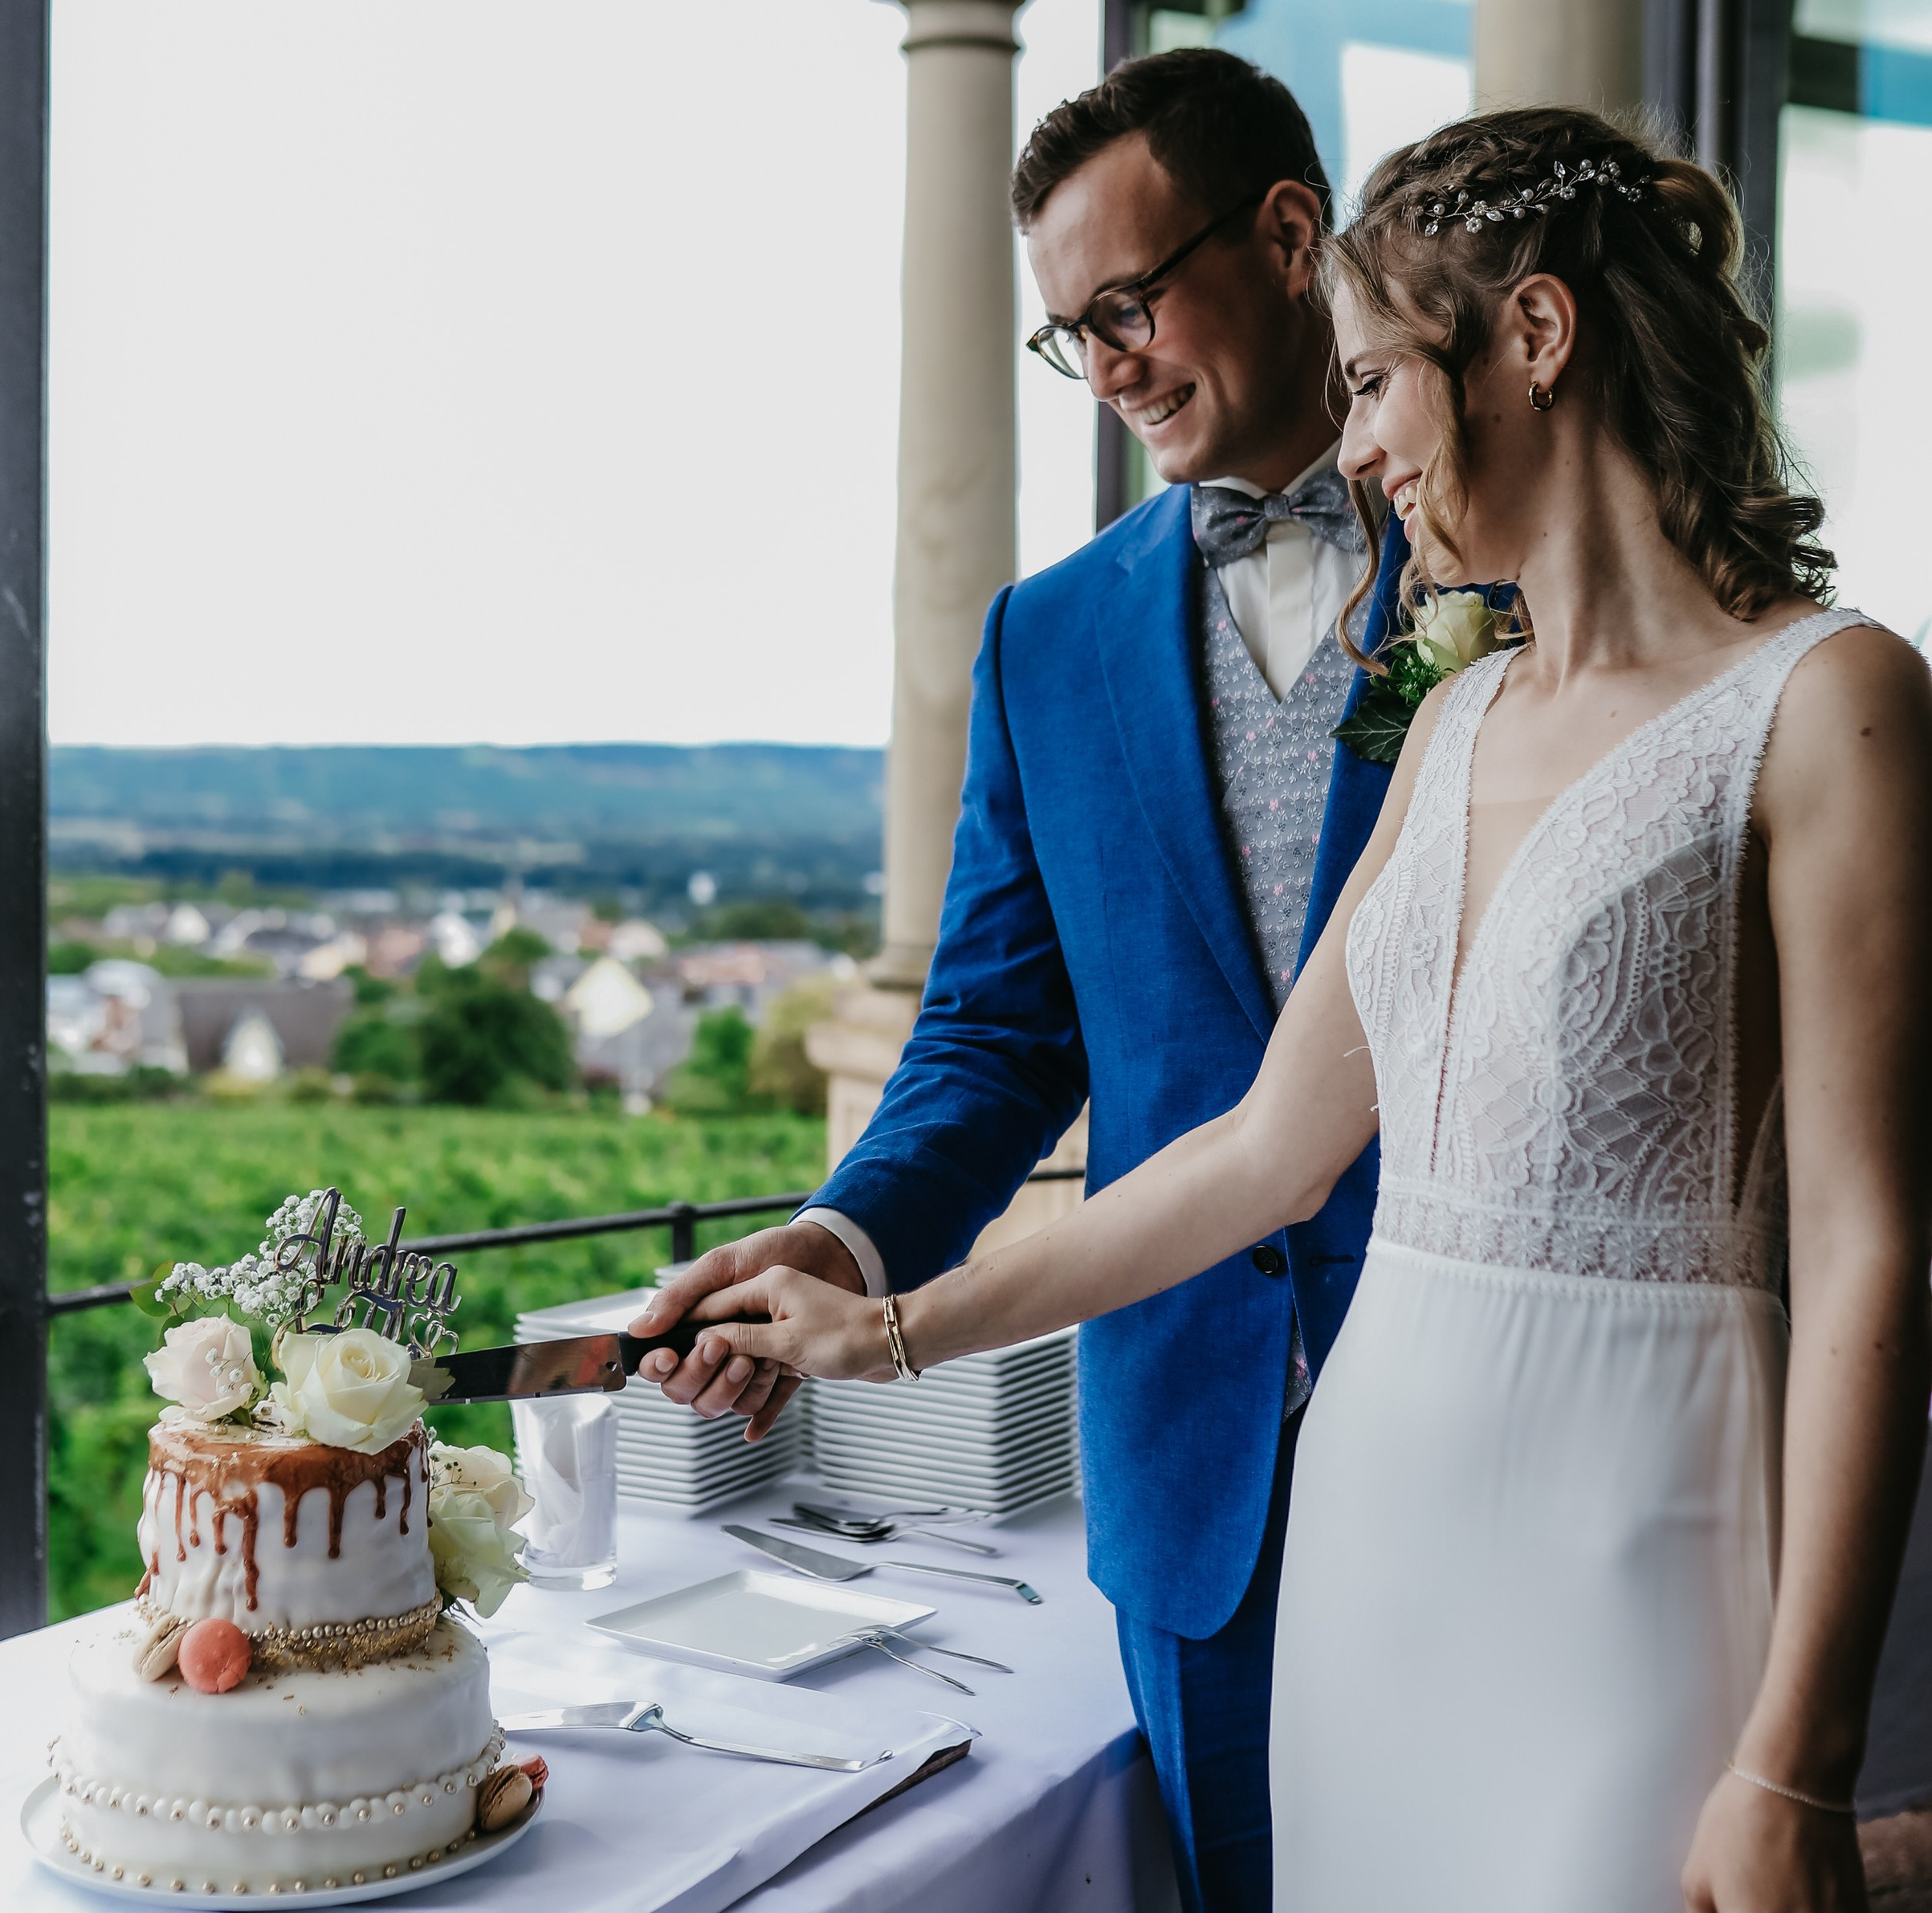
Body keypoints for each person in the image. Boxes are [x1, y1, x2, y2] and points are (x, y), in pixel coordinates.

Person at [640, 105, 1932, 1912]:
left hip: (1633, 1527)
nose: (1360, 442)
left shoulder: (1822, 699)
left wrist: (1797, 1753)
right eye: (1063, 329)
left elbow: (1873, 1242)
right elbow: (1233, 1135)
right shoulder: (1444, 709)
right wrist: (889, 1317)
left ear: (1529, 339)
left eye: (1377, 382)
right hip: (1336, 1536)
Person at [638, 47, 1410, 1912]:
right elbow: (993, 1031)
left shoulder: (1518, 570)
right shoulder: (1041, 638)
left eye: (1128, 306)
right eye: (1072, 336)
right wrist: (838, 1243)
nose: (1111, 367)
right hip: (1188, 1460)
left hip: (1487, 1399)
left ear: (1290, 237)